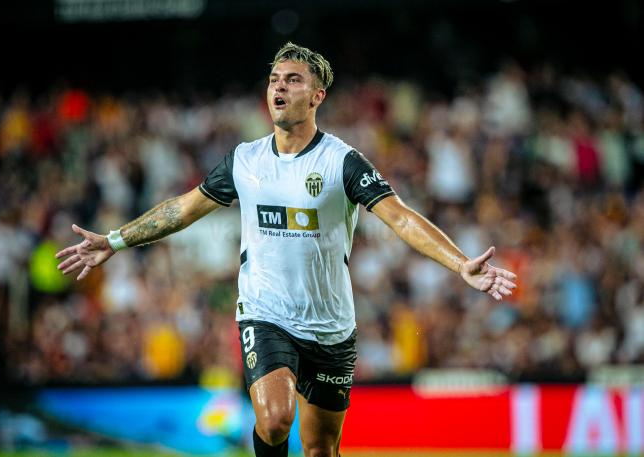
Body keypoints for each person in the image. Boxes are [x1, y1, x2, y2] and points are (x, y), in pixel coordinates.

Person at [56, 42, 517, 457]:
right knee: (275, 421)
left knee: (320, 449)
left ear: (317, 96)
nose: (279, 87)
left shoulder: (342, 161)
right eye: (274, 79)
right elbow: (183, 208)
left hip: (333, 326)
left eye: (293, 79)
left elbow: (398, 216)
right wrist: (115, 240)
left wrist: (461, 264)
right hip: (265, 313)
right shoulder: (245, 160)